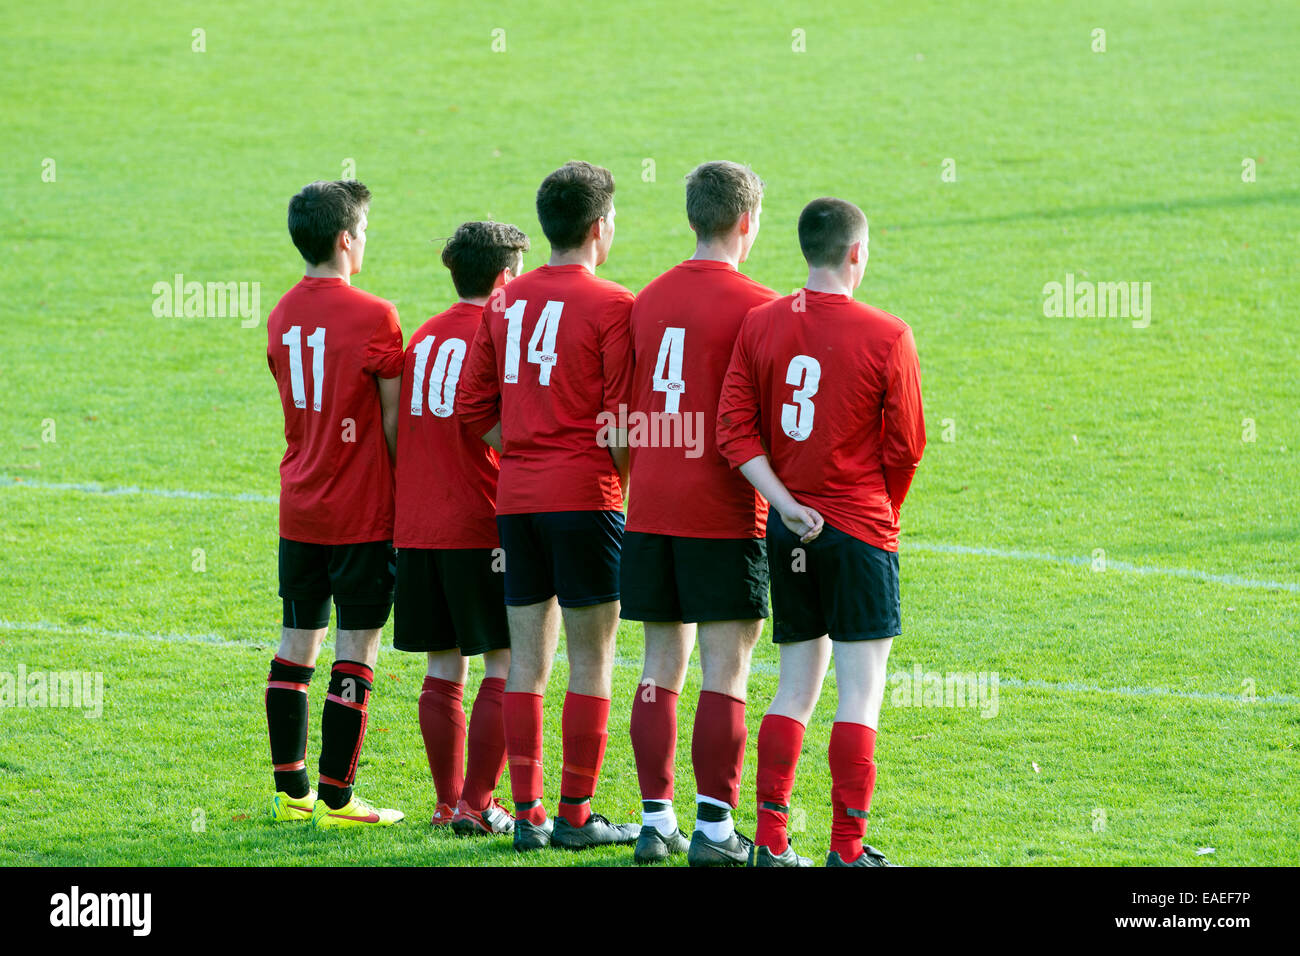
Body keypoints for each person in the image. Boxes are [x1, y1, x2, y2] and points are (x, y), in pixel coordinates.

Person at [716, 197, 926, 866]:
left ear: (804, 249)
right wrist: (880, 512)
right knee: (860, 690)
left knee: (794, 684)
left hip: (789, 531)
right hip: (861, 530)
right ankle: (846, 848)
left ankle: (772, 842)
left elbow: (734, 432)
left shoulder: (762, 323)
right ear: (857, 254)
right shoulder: (888, 333)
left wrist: (784, 502)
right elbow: (907, 447)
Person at [456, 161, 639, 851]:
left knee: (527, 660)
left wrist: (528, 448)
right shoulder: (614, 304)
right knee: (592, 659)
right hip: (587, 500)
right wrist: (615, 482)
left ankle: (527, 814)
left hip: (518, 501)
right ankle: (574, 813)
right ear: (600, 228)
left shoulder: (503, 300)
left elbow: (475, 408)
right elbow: (622, 422)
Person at [619, 161, 779, 866]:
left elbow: (625, 414)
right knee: (726, 670)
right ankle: (715, 831)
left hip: (650, 507)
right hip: (724, 511)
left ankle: (656, 822)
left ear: (693, 217)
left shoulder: (645, 299)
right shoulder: (763, 306)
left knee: (658, 665)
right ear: (747, 221)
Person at [264, 179, 405, 828]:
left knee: (297, 643)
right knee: (357, 649)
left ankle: (291, 794)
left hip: (301, 505)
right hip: (361, 515)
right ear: (346, 240)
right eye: (366, 231)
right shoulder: (375, 315)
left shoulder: (282, 313)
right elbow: (393, 424)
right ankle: (339, 800)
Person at [393, 221, 529, 836]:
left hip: (418, 526)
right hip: (481, 523)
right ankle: (478, 802)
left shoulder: (421, 337)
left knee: (442, 665)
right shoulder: (497, 332)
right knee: (505, 660)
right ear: (505, 277)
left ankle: (448, 802)